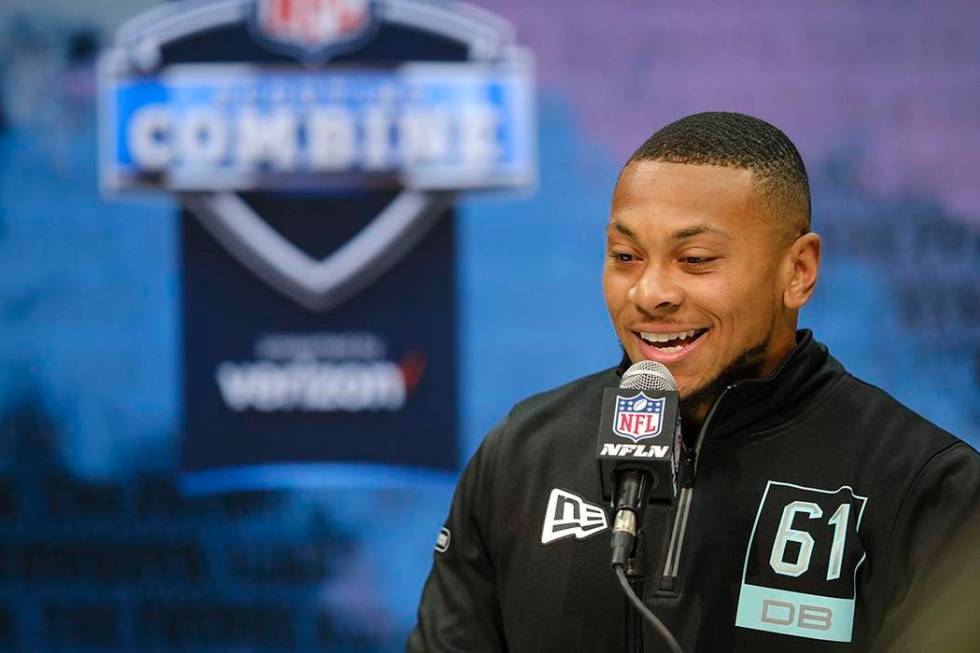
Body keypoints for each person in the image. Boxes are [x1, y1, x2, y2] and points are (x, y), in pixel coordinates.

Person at [406, 112, 980, 652]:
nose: (650, 293)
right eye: (626, 256)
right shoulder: (522, 454)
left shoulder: (928, 486)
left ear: (798, 272)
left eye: (697, 259)